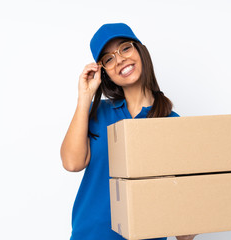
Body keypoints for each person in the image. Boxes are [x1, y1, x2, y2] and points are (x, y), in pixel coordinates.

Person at [60, 23, 197, 240]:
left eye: (125, 48)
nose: (120, 59)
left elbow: (185, 233)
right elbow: (72, 163)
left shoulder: (172, 123)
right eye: (109, 58)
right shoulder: (97, 114)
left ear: (140, 51)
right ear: (104, 72)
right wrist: (84, 98)